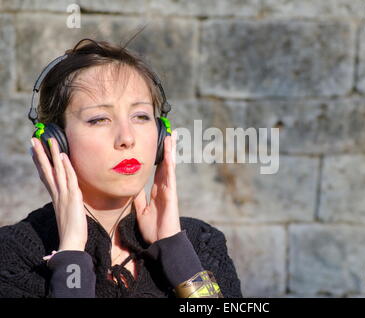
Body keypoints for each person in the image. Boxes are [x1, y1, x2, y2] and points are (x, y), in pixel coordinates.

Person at [0, 38, 242, 298]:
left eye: (141, 116)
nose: (127, 138)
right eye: (99, 119)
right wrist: (71, 257)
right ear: (54, 141)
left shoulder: (200, 244)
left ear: (161, 136)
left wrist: (176, 253)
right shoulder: (12, 255)